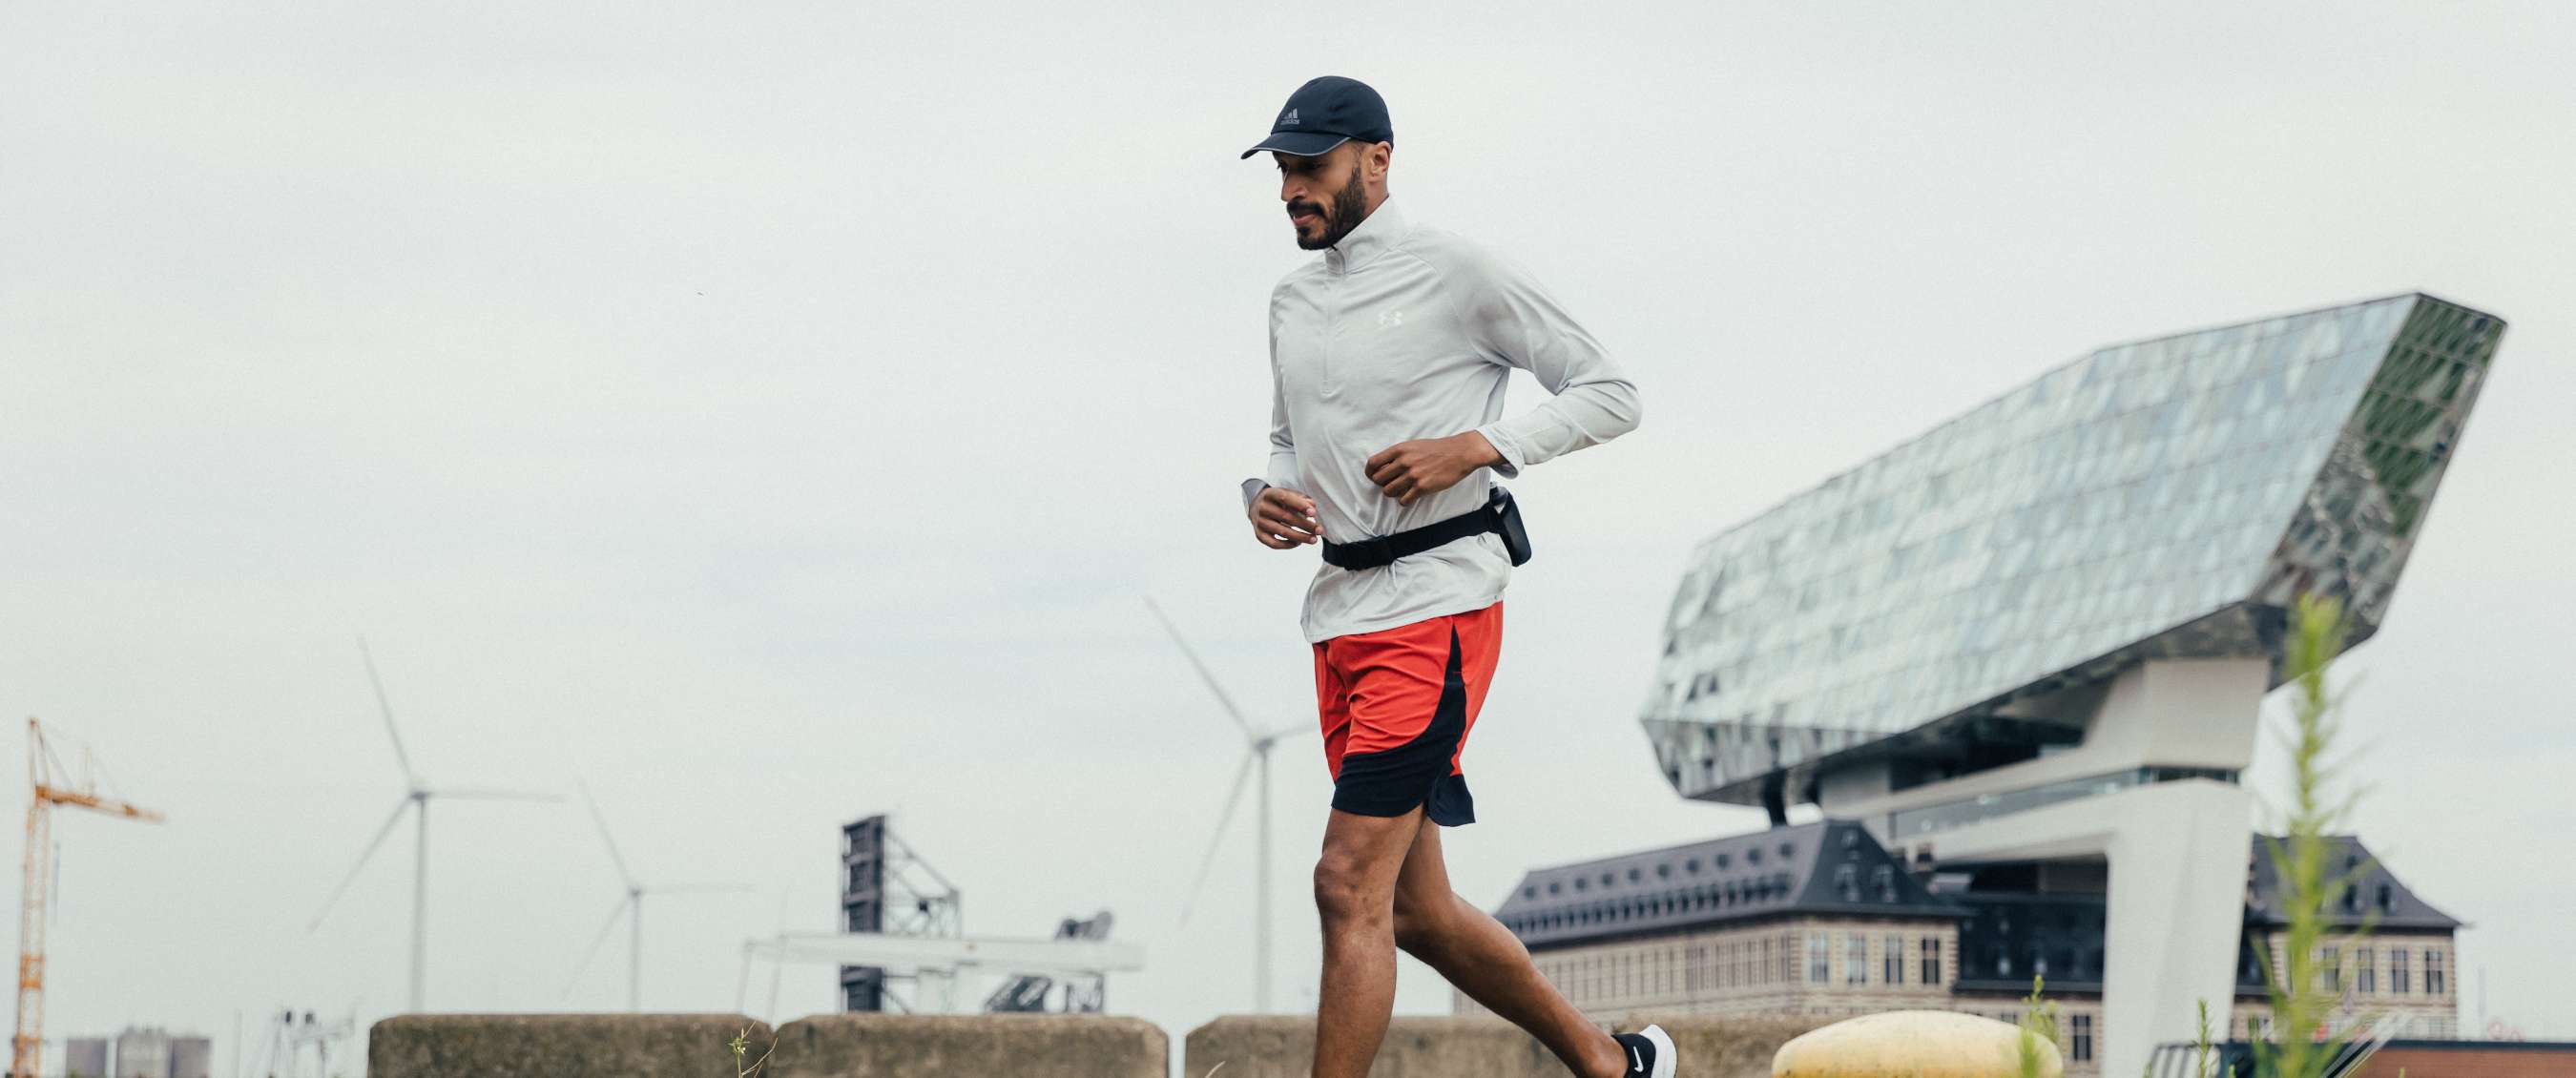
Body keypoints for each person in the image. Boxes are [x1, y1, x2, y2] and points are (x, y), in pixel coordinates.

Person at [1236, 75, 1663, 1078]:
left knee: (1346, 883)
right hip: (1336, 617)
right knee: (1415, 908)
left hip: (1437, 606)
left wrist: (1479, 443)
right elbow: (1285, 437)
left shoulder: (1458, 270)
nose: (1294, 188)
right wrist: (1265, 493)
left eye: (1314, 167)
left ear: (1376, 159)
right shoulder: (1290, 300)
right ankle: (1610, 1062)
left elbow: (1612, 393)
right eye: (1285, 170)